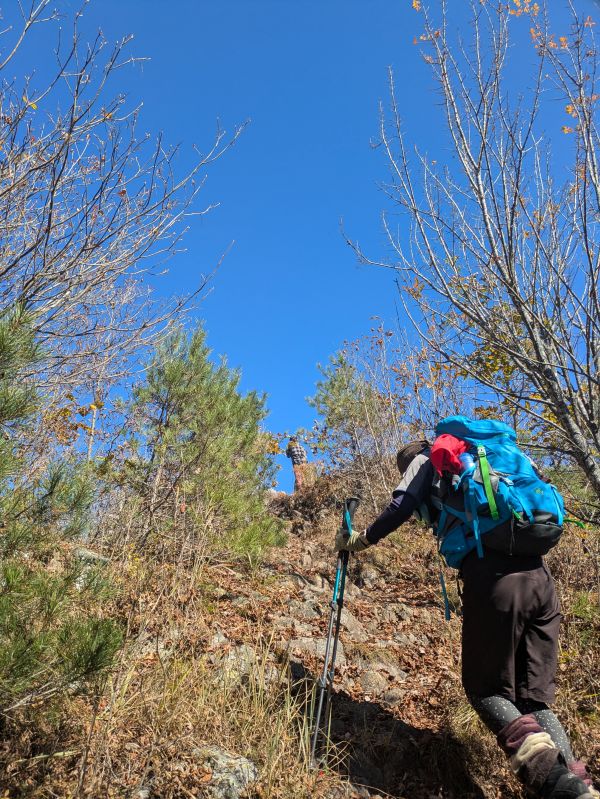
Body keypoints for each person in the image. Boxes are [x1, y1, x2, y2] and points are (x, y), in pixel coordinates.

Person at [335, 439, 598, 799]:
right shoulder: (488, 454)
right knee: (533, 701)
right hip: (541, 581)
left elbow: (401, 505)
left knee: (486, 690)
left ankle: (558, 786)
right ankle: (580, 788)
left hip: (496, 582)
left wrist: (359, 540)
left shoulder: (425, 460)